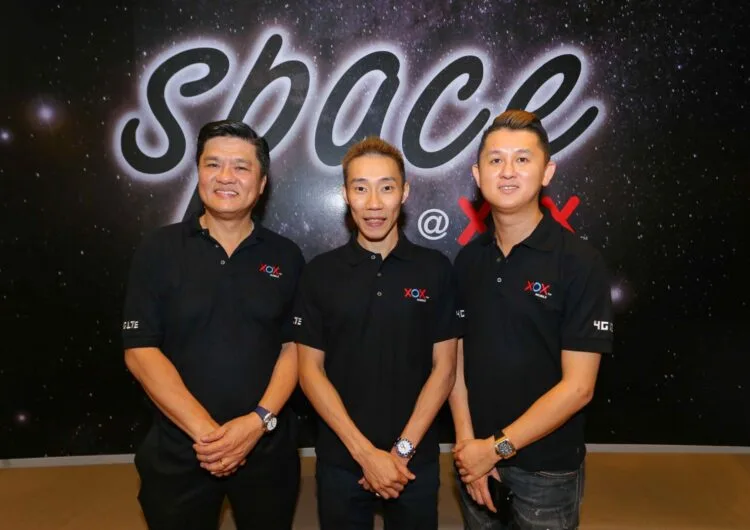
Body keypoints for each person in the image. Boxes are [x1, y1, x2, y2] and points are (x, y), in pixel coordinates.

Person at [122, 120, 304, 530]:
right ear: (199, 173)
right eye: (213, 164)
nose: (225, 177)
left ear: (261, 184)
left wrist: (255, 423)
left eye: (241, 167)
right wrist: (208, 435)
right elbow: (140, 351)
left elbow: (295, 348)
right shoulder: (158, 249)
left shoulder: (287, 256)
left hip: (266, 448)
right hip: (179, 449)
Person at [450, 110, 614, 529]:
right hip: (475, 463)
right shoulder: (468, 261)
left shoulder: (579, 262)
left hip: (546, 473)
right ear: (478, 174)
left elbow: (579, 388)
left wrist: (496, 448)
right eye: (495, 160)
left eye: (522, 159)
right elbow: (457, 360)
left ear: (547, 172)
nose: (507, 171)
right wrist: (469, 447)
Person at [293, 137, 459, 529]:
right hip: (341, 461)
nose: (373, 203)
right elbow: (309, 371)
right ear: (345, 195)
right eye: (360, 188)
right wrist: (365, 454)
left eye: (386, 188)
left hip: (415, 461)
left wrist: (400, 452)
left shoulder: (436, 269)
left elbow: (445, 369)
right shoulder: (319, 273)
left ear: (404, 192)